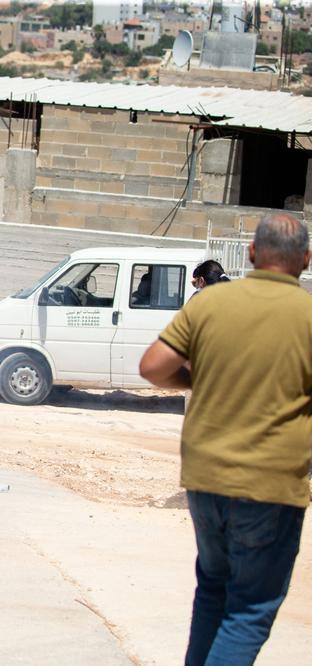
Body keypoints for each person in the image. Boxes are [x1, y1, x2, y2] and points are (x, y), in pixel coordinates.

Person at [139, 213, 312, 666]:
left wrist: (194, 380)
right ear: (306, 260)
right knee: (249, 610)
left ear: (252, 253)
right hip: (270, 487)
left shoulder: (209, 303)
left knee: (213, 591)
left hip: (205, 480)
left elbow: (153, 367)